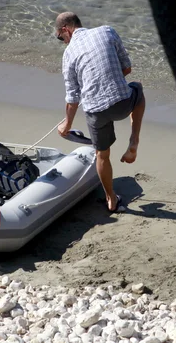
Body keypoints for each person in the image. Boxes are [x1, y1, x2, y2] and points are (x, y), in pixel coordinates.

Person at [55, 12, 146, 213]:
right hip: (122, 103)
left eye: (60, 38)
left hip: (95, 112)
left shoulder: (68, 54)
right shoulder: (107, 31)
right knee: (138, 90)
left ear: (65, 30)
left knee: (102, 155)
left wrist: (66, 126)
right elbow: (127, 68)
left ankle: (111, 200)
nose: (62, 42)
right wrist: (110, 80)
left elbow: (72, 98)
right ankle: (133, 142)